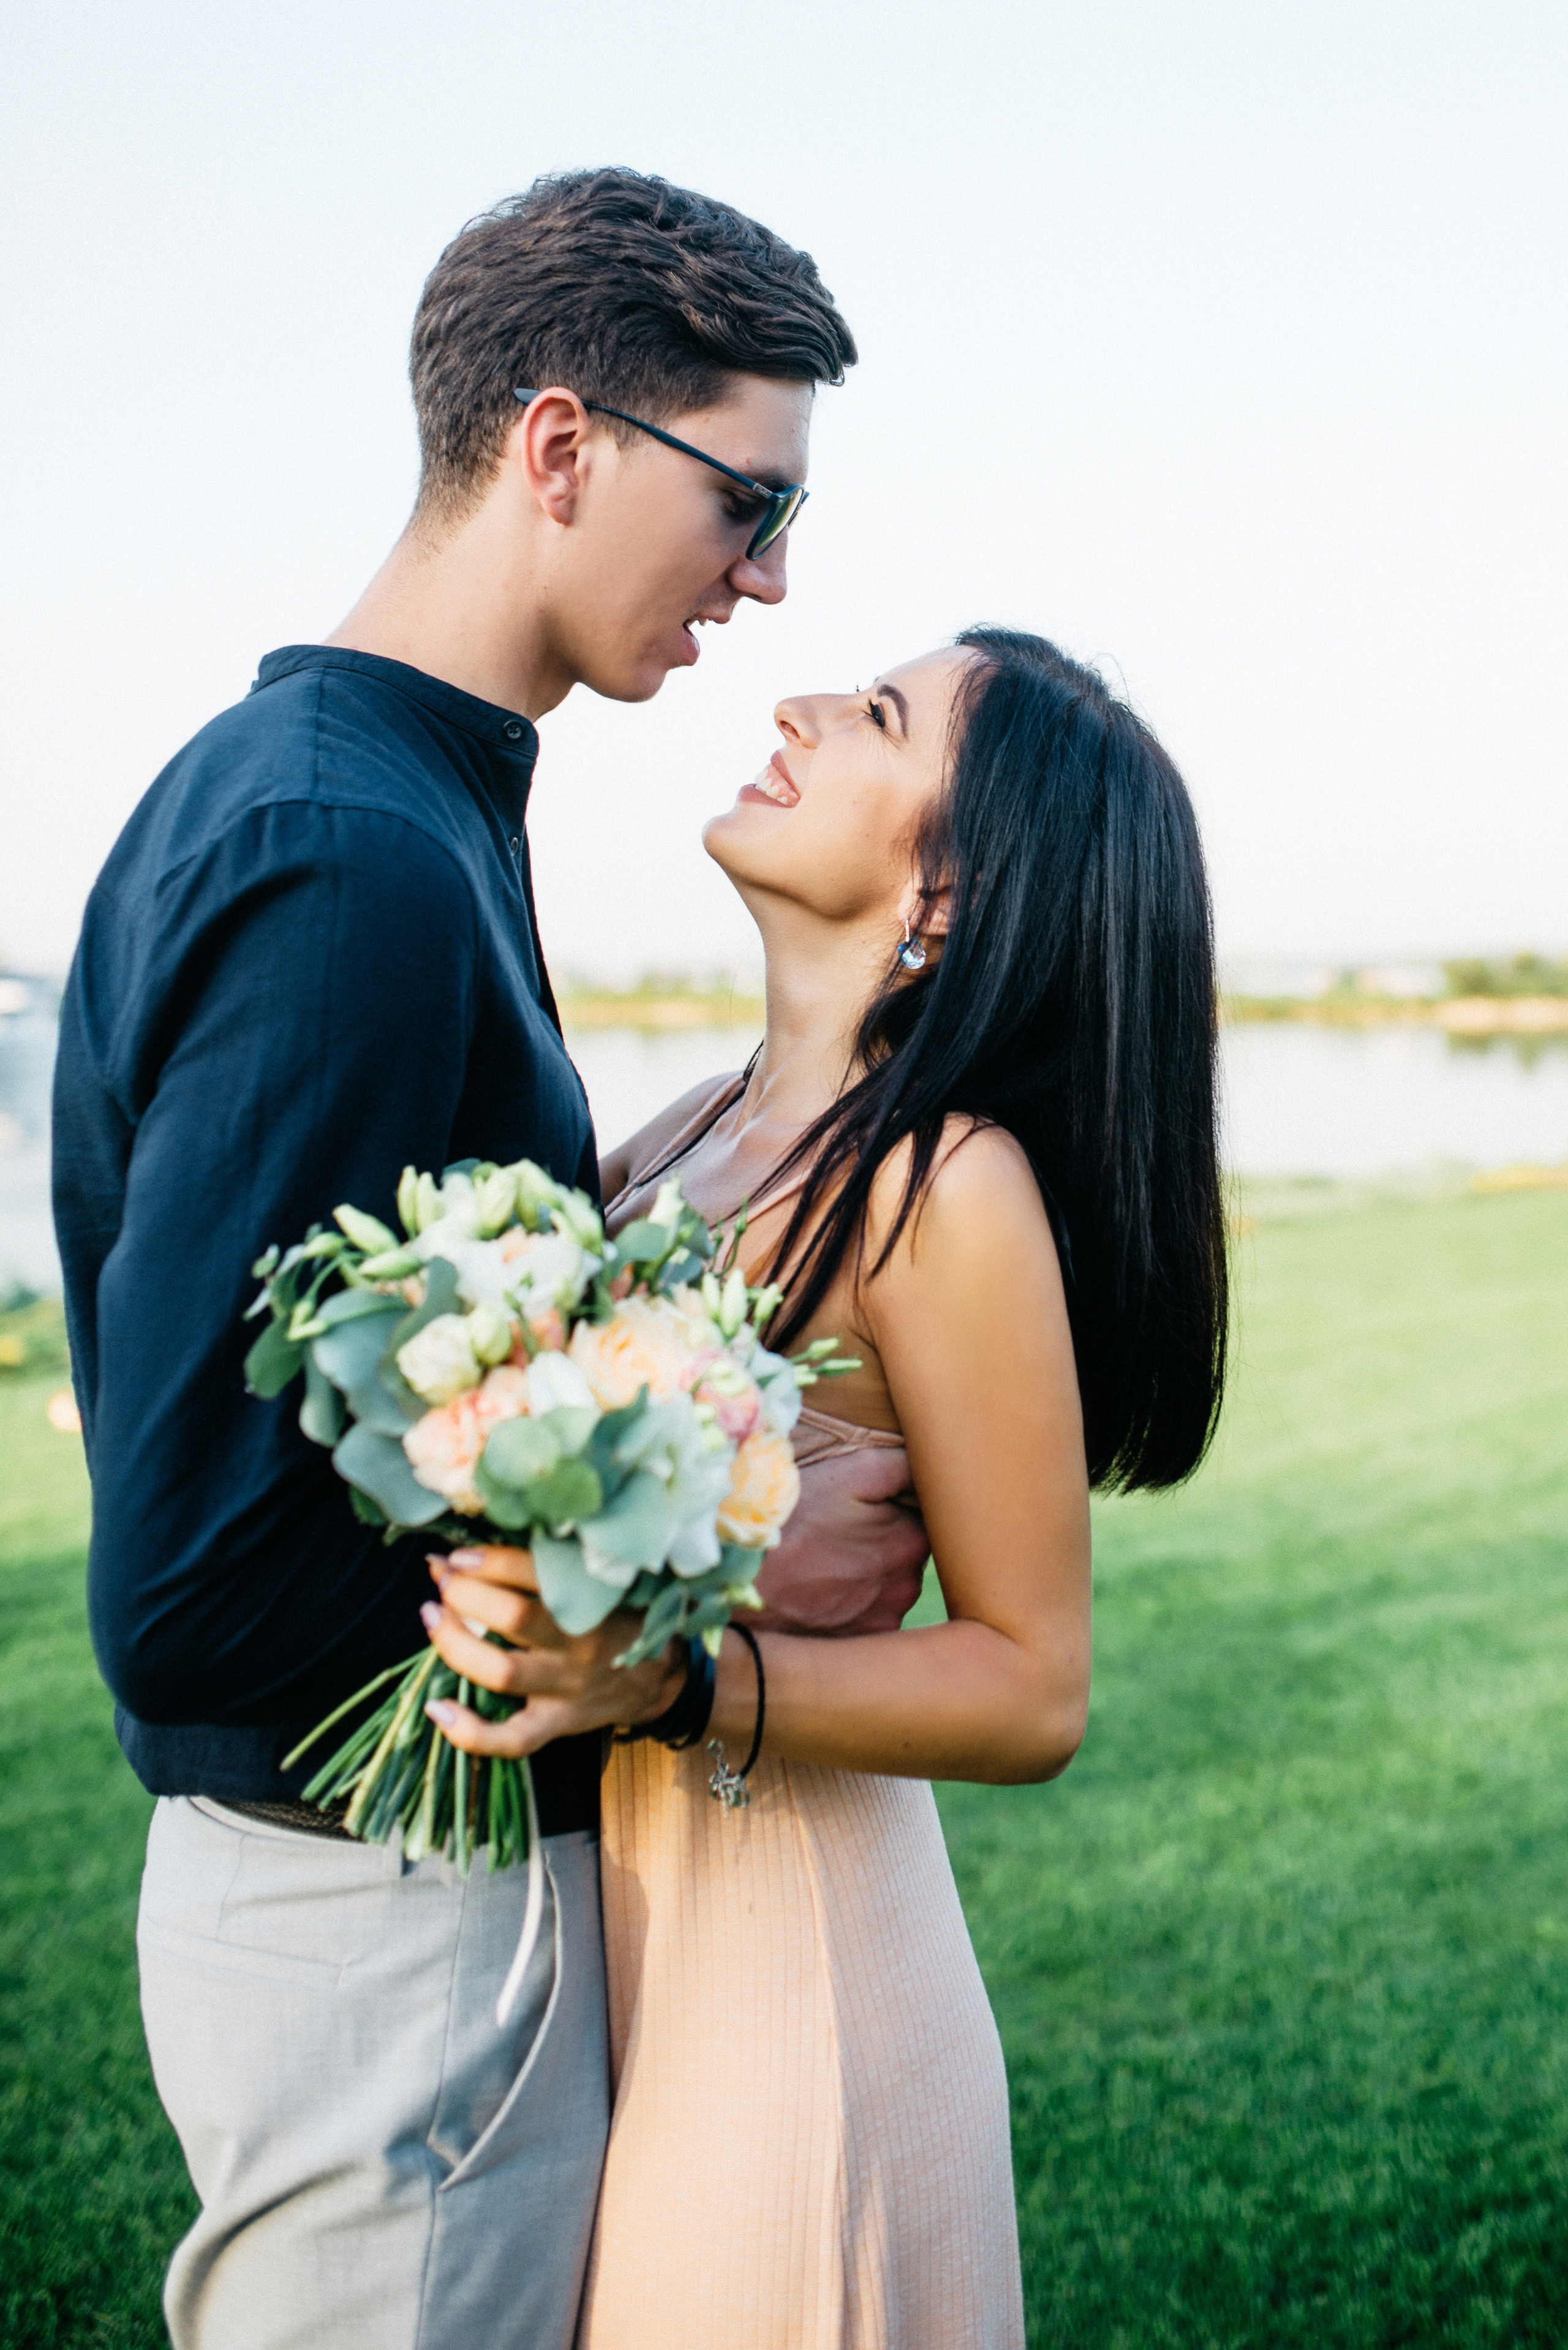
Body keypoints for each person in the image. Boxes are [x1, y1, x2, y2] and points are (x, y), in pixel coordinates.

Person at [50, 169, 914, 2350]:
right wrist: (640, 1581)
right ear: (559, 448)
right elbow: (188, 1585)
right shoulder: (349, 849)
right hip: (379, 1916)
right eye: (747, 500)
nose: (774, 577)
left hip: (377, 1909)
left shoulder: (378, 794)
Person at [425, 629, 1231, 2345]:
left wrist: (678, 1681)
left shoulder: (943, 1186)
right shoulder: (688, 1131)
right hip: (607, 1953)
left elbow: (1034, 1681)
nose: (794, 702)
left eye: (875, 716)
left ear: (954, 888)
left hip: (794, 2002)